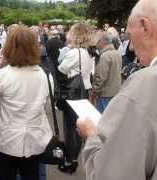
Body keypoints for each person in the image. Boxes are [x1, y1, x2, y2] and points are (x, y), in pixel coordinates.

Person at [77, 0, 157, 179]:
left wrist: (92, 136)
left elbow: (110, 173)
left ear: (145, 27)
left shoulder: (148, 81)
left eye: (130, 35)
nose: (130, 46)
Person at [0, 25, 53, 180]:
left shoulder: (1, 76)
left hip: (7, 138)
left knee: (5, 175)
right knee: (32, 174)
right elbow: (48, 108)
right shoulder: (45, 75)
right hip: (35, 138)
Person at [57, 23, 94, 172]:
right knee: (78, 125)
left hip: (73, 91)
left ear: (76, 35)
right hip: (83, 90)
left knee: (70, 127)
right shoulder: (88, 52)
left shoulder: (74, 52)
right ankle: (74, 157)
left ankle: (70, 160)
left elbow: (62, 68)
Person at [92, 32, 122, 112]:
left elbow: (101, 77)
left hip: (105, 93)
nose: (96, 44)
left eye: (97, 41)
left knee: (103, 117)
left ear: (102, 42)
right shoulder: (117, 53)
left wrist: (95, 90)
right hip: (115, 91)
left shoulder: (105, 56)